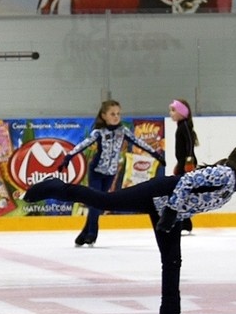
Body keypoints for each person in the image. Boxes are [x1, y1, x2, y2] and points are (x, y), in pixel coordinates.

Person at [24, 143, 236, 314]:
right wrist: (173, 211)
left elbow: (196, 198)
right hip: (160, 195)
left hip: (168, 209)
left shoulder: (231, 184)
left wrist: (176, 215)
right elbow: (187, 181)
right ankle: (57, 187)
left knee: (172, 261)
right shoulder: (225, 175)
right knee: (106, 202)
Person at [58, 99, 164, 247]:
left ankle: (84, 233)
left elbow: (139, 143)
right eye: (112, 114)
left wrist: (156, 155)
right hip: (96, 171)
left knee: (99, 202)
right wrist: (68, 157)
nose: (116, 116)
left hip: (111, 172)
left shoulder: (123, 131)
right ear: (104, 116)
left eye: (118, 114)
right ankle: (92, 234)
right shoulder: (99, 132)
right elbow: (84, 144)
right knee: (95, 200)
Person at [169, 98, 199, 233]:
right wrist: (179, 163)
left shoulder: (184, 126)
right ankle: (185, 223)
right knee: (182, 193)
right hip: (183, 163)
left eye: (173, 110)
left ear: (182, 112)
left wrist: (188, 162)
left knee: (182, 193)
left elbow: (189, 145)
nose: (171, 113)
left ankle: (185, 223)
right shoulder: (181, 125)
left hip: (188, 164)